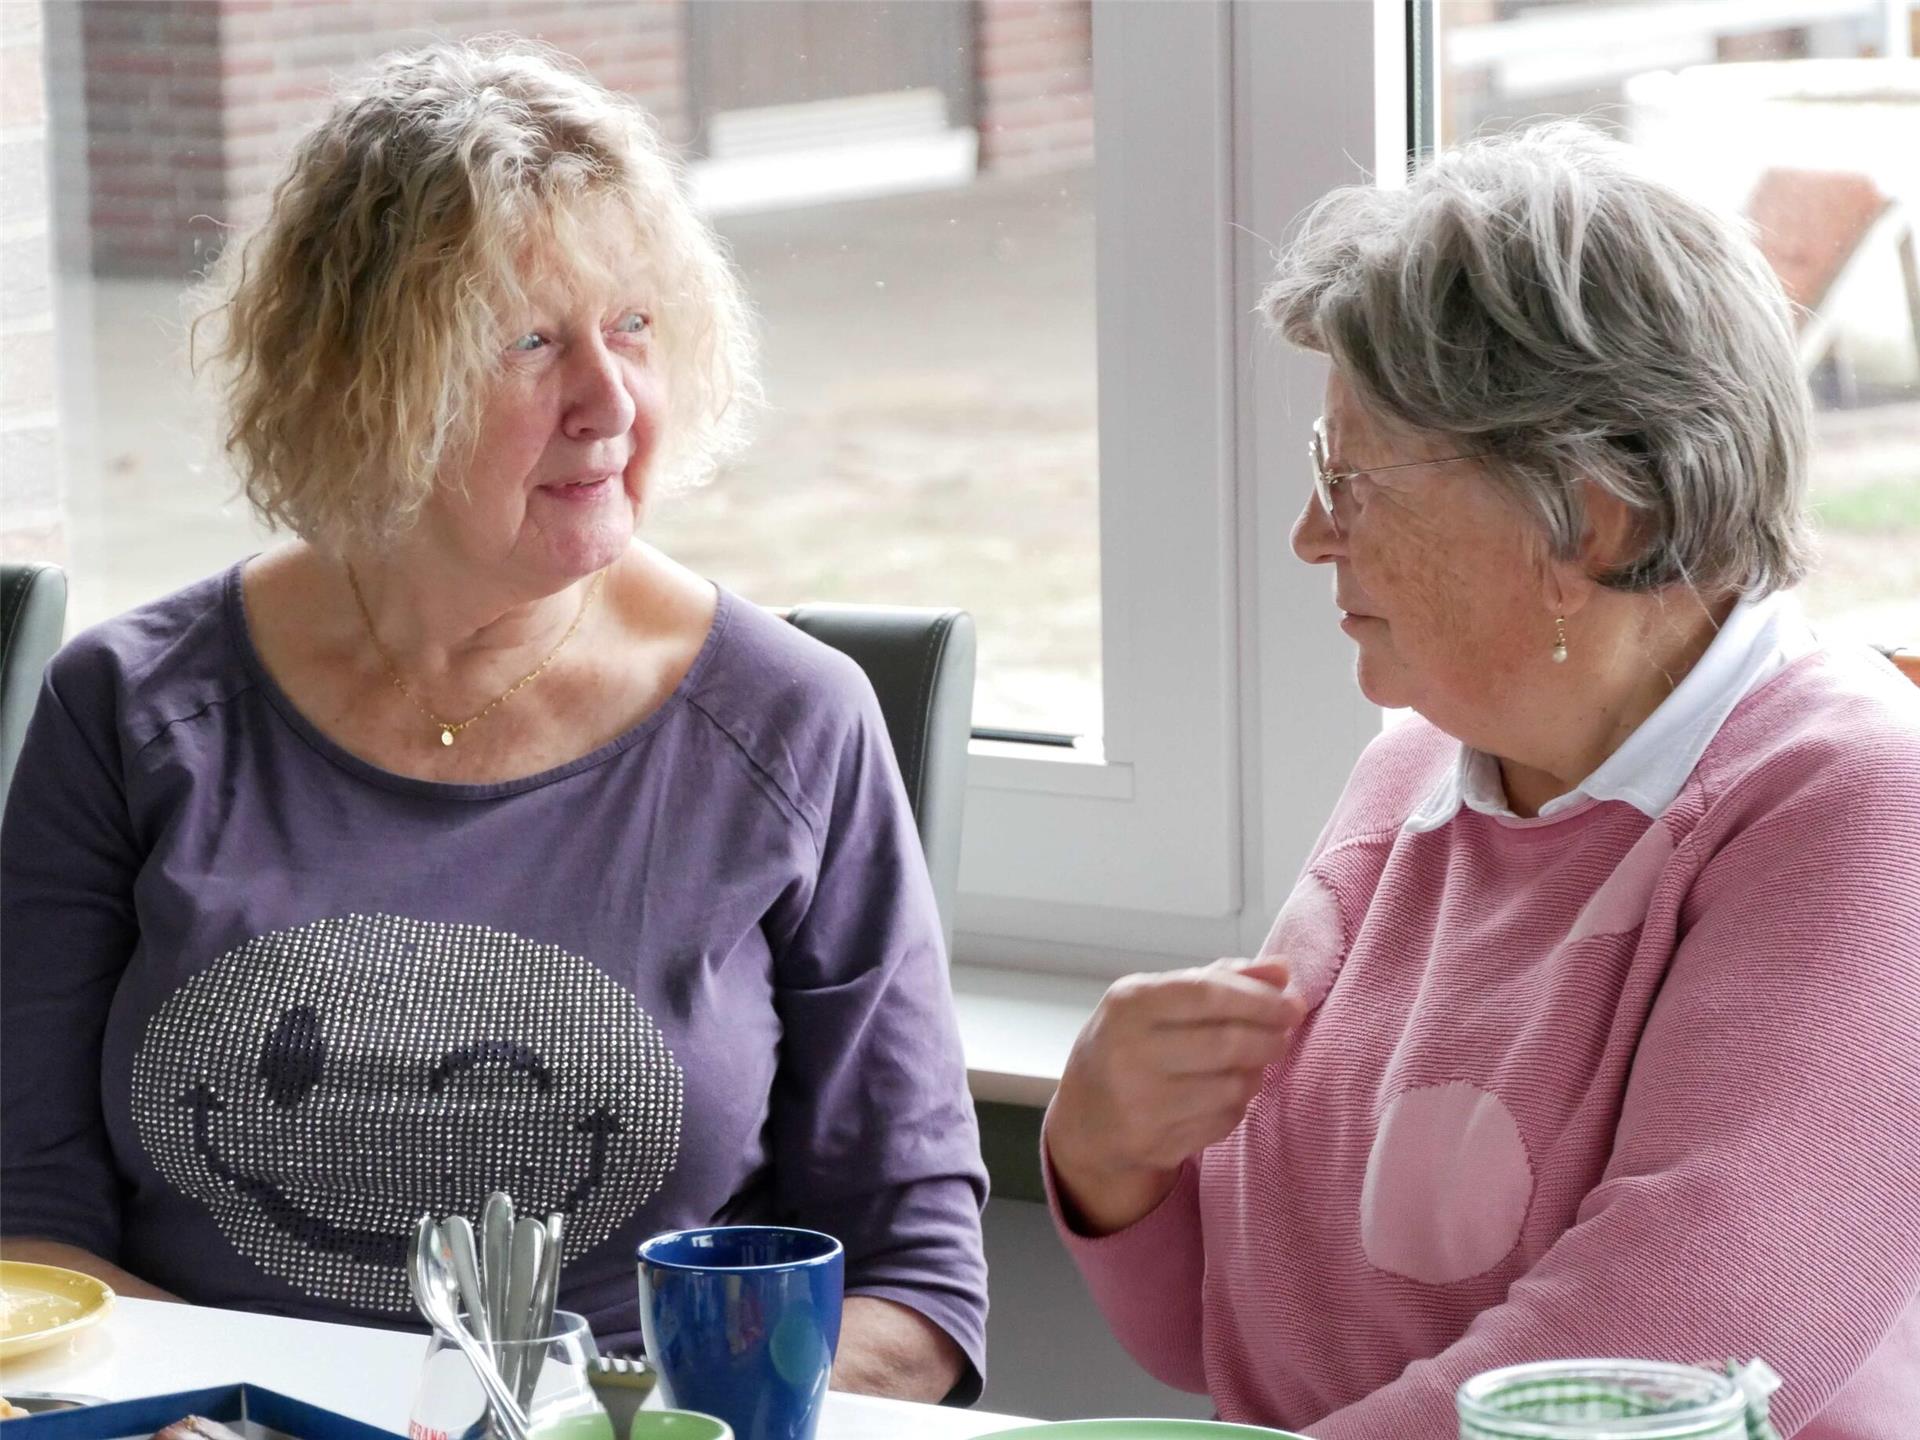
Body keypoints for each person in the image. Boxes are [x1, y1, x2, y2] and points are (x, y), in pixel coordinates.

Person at [0, 40, 986, 1404]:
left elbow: (914, 1280)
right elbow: (24, 1221)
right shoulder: (128, 708)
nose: (611, 401)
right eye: (529, 341)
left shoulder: (791, 724)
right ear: (357, 385)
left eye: (633, 325)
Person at [1041, 122, 1920, 1437]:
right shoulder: (1415, 778)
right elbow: (1223, 1341)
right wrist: (1107, 1151)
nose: (1308, 536)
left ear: (1589, 518)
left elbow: (1651, 1367)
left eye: (1355, 482)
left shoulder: (1856, 802)